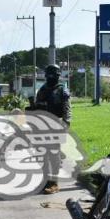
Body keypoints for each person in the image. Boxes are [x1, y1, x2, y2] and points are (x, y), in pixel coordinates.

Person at [33, 63, 71, 194]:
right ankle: (45, 181)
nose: (50, 77)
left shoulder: (62, 89)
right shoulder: (42, 89)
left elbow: (67, 109)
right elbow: (37, 107)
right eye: (49, 74)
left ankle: (54, 183)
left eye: (53, 75)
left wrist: (66, 123)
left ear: (58, 76)